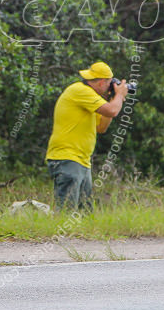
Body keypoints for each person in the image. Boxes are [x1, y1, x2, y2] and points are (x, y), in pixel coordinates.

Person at [45, 61, 128, 210]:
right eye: (110, 83)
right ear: (103, 82)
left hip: (82, 161)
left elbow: (101, 127)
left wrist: (112, 98)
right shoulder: (80, 91)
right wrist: (120, 96)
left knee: (83, 213)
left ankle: (76, 234)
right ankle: (59, 234)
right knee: (66, 212)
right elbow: (113, 111)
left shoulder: (90, 99)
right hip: (68, 158)